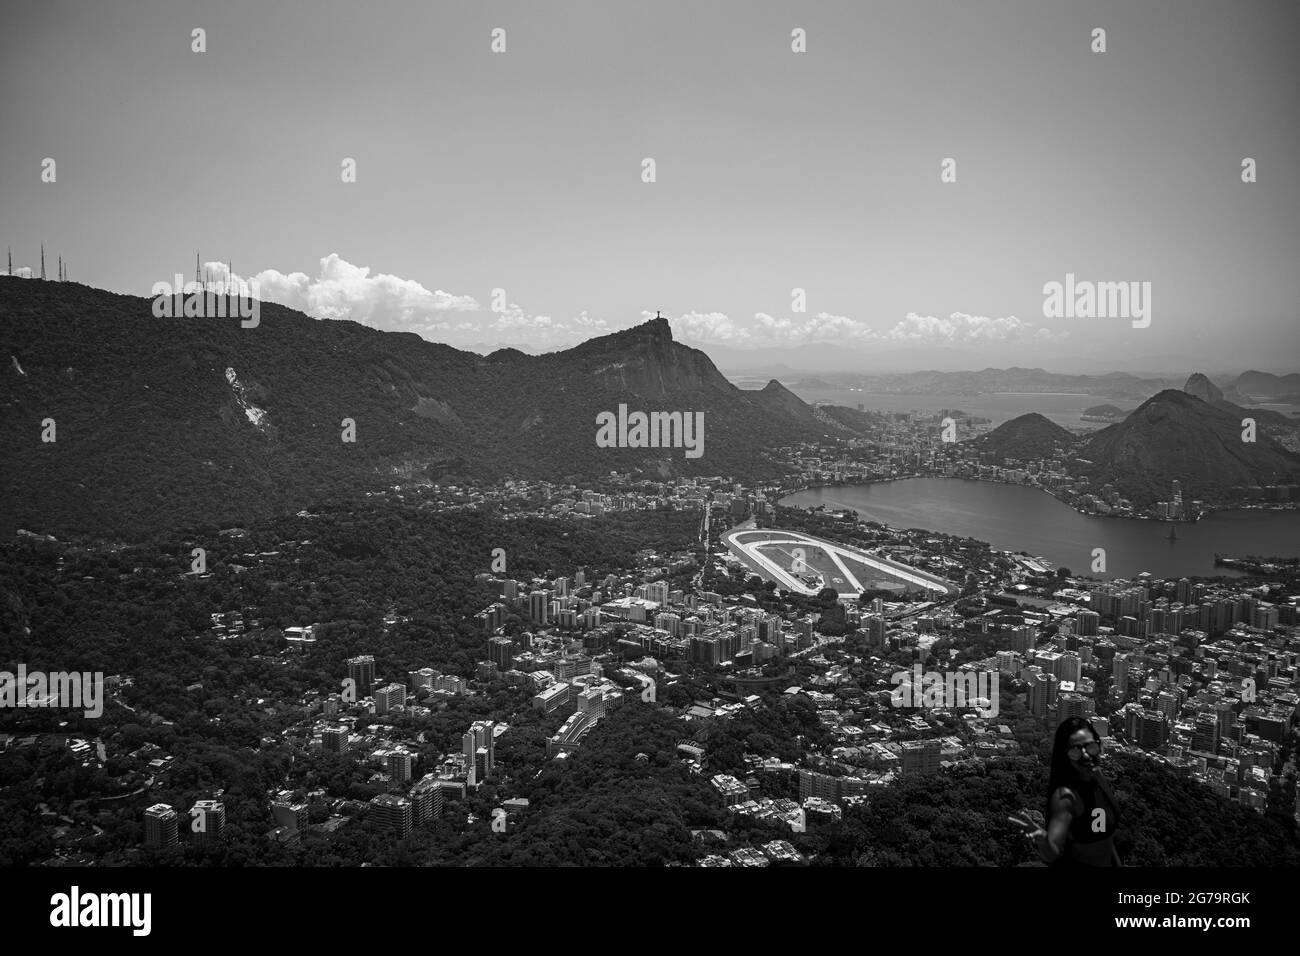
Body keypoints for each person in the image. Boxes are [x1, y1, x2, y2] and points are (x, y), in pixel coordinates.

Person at [1011, 717, 1122, 866]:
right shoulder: (1066, 797)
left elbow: (1104, 838)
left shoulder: (1096, 777)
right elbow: (1053, 851)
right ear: (1065, 756)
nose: (1086, 755)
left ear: (1099, 745)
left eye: (1091, 747)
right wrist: (1044, 840)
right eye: (1075, 750)